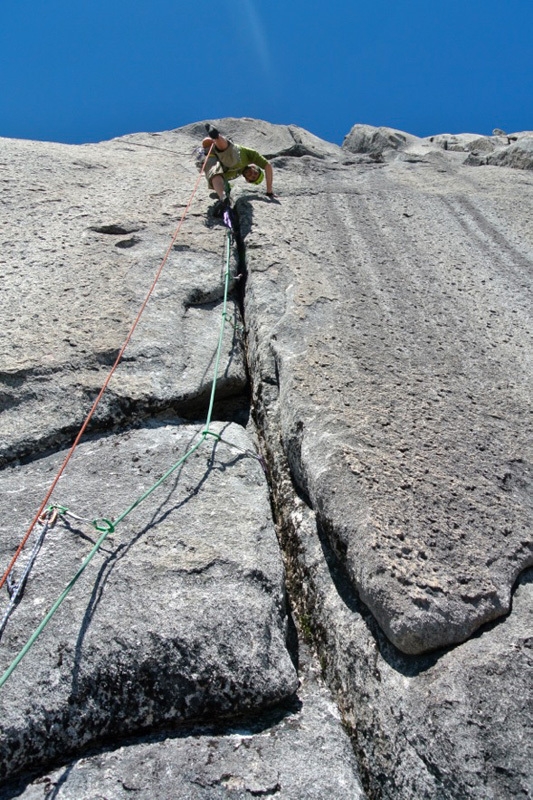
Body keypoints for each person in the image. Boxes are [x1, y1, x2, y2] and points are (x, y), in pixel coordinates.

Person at [201, 125, 275, 211]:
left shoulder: (234, 175)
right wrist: (269, 191)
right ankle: (216, 136)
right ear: (254, 167)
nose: (252, 174)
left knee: (214, 172)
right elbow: (268, 166)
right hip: (229, 152)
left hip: (211, 156)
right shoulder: (249, 156)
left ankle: (223, 198)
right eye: (255, 172)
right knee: (231, 160)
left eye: (252, 178)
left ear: (247, 180)